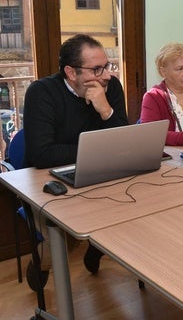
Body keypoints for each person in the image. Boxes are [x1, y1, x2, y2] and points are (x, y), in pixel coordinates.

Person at [23, 34, 129, 289]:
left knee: (134, 205)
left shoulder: (111, 87)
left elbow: (123, 141)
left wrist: (106, 110)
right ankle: (43, 260)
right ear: (71, 72)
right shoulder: (42, 92)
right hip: (47, 180)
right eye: (96, 69)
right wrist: (98, 147)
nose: (105, 75)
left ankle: (97, 245)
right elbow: (42, 154)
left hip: (99, 172)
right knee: (63, 235)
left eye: (107, 66)